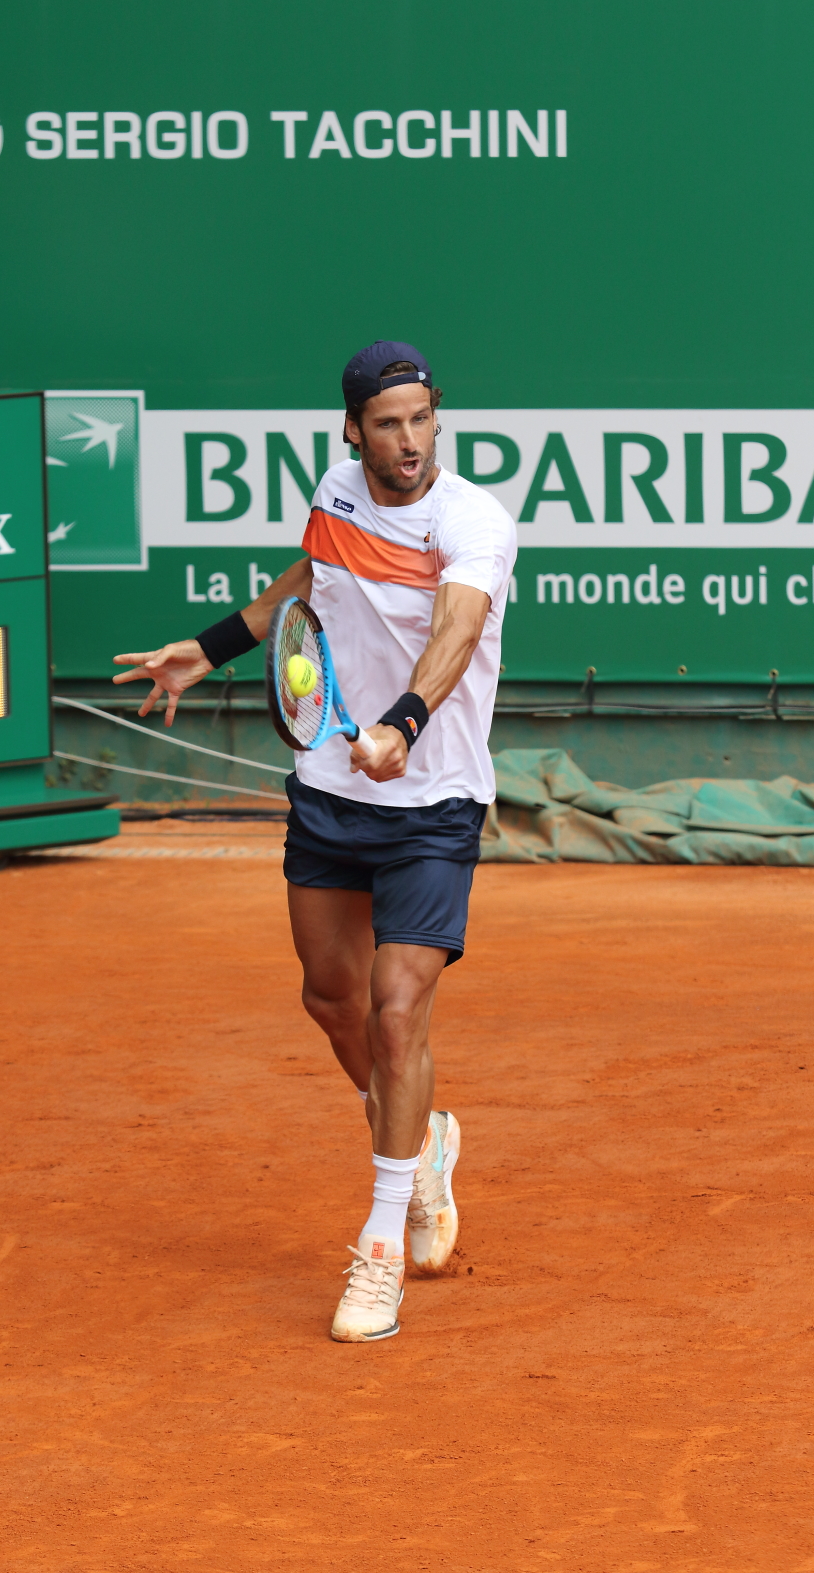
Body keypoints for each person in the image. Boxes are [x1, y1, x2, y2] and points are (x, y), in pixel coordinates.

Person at [113, 341, 517, 1341]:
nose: (409, 441)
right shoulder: (336, 495)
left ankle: (381, 1246)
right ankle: (422, 1141)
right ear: (352, 431)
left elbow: (458, 629)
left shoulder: (472, 519)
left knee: (396, 1011)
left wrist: (402, 724)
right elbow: (311, 577)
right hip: (330, 792)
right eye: (387, 424)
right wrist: (208, 648)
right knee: (331, 1000)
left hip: (432, 801)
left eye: (421, 419)